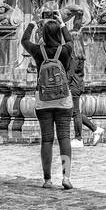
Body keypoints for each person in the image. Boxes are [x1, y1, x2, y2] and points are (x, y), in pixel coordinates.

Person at [21, 12, 75, 189]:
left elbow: (24, 41)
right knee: (64, 138)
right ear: (58, 34)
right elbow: (70, 40)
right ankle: (66, 177)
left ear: (43, 34)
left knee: (46, 140)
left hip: (43, 101)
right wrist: (62, 24)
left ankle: (47, 179)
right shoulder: (65, 49)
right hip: (63, 100)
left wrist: (32, 24)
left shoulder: (38, 51)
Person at [66, 9, 104, 148]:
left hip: (73, 87)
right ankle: (95, 129)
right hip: (78, 85)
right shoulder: (80, 55)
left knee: (75, 112)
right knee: (74, 112)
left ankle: (79, 138)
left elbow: (69, 74)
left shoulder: (73, 57)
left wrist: (64, 86)